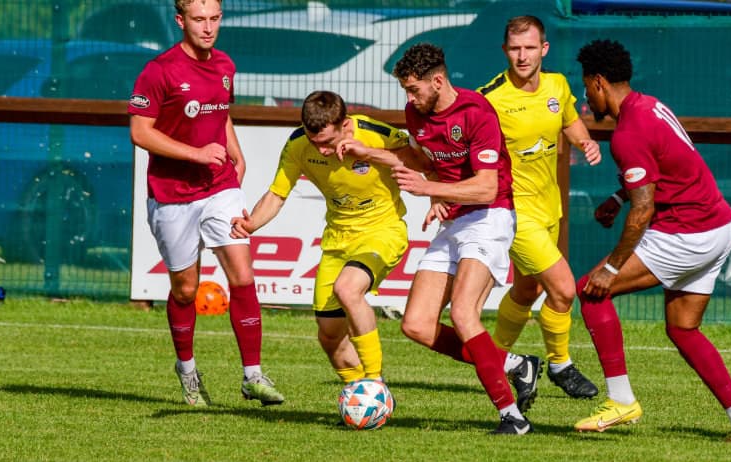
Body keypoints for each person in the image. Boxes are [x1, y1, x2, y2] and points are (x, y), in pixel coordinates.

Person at [571, 39, 731, 443]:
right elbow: (667, 168)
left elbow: (643, 211)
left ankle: (621, 400)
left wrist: (610, 268)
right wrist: (618, 197)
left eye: (586, 86)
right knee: (683, 328)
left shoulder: (627, 132)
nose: (586, 96)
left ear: (599, 81)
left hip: (686, 233)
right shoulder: (650, 105)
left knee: (591, 290)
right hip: (719, 225)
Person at [128, 0, 283, 407]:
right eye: (199, 19)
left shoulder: (225, 64)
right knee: (185, 291)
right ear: (180, 21)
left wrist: (236, 152)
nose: (208, 27)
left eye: (215, 18)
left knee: (242, 274)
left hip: (220, 186)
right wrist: (196, 154)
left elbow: (220, 113)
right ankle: (187, 370)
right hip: (172, 194)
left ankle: (253, 375)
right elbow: (140, 132)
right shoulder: (159, 71)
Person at [390, 43, 530, 434]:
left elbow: (486, 188)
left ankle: (512, 417)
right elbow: (429, 163)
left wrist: (427, 190)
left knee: (464, 313)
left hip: (490, 216)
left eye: (414, 89)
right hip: (453, 219)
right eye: (406, 90)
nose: (410, 98)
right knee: (416, 324)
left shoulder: (476, 112)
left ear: (438, 81)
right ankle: (515, 365)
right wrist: (432, 191)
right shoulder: (415, 113)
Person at [230, 91, 410, 388]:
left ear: (345, 124)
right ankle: (359, 394)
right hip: (337, 241)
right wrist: (251, 224)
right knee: (329, 335)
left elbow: (417, 162)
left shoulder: (374, 133)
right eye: (316, 143)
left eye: (328, 142)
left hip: (383, 231)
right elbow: (277, 194)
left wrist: (368, 153)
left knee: (348, 289)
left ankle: (375, 383)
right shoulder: (298, 144)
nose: (322, 150)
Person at [477, 15, 601, 407]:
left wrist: (585, 142)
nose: (522, 56)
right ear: (504, 50)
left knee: (527, 288)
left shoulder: (557, 85)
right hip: (514, 212)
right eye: (515, 48)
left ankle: (493, 361)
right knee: (563, 289)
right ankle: (560, 364)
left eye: (530, 48)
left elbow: (570, 122)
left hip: (550, 207)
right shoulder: (489, 98)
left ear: (543, 49)